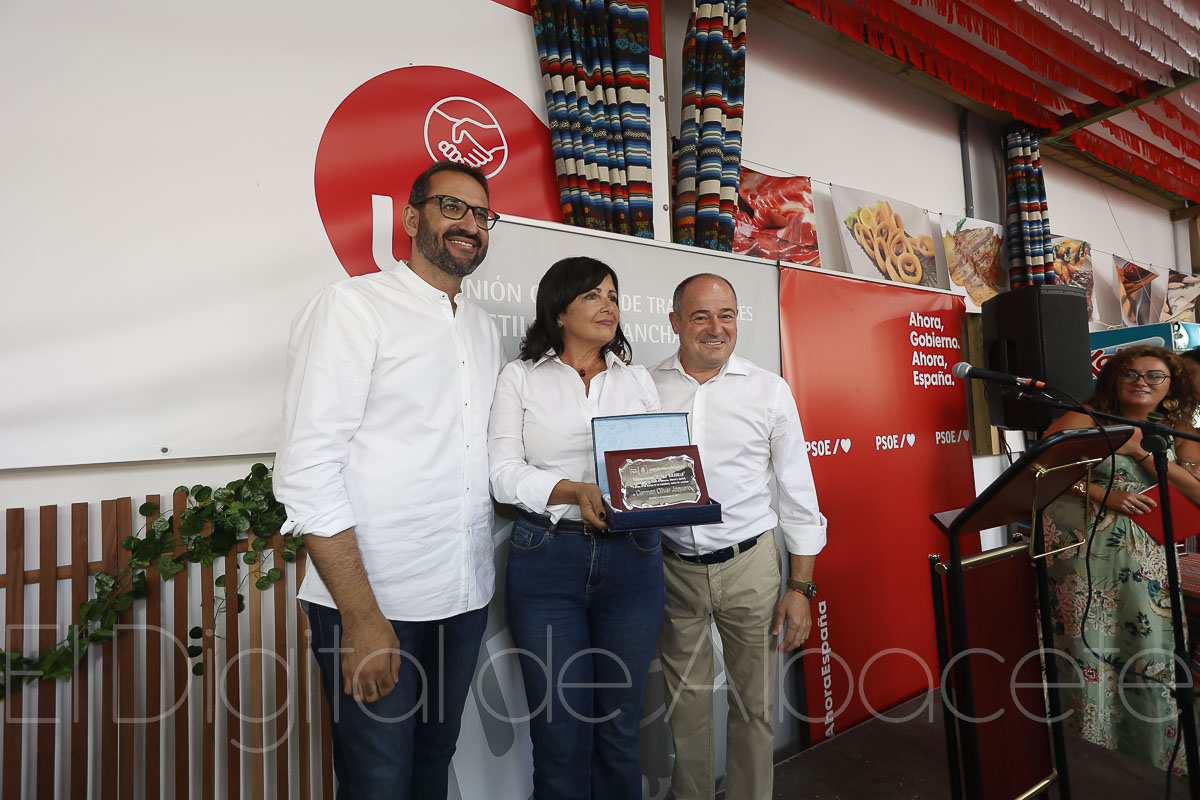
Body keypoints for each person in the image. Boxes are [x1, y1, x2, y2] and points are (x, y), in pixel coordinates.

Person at [273, 160, 506, 798]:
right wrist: (361, 617)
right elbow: (307, 471)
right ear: (410, 219)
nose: (470, 224)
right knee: (378, 782)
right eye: (452, 207)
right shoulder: (352, 308)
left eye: (482, 214)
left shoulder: (484, 329)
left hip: (462, 597)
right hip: (377, 603)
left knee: (432, 767)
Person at [488, 256, 664, 799]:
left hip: (633, 559)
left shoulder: (636, 380)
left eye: (612, 295)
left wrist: (669, 488)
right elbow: (501, 474)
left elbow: (659, 469)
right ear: (559, 311)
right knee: (558, 734)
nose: (608, 305)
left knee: (619, 727)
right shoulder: (521, 377)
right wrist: (573, 491)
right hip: (547, 559)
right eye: (592, 295)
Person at [649, 273, 826, 800]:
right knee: (686, 710)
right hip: (672, 568)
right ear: (675, 321)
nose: (715, 327)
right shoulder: (644, 387)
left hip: (751, 567)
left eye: (726, 315)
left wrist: (800, 589)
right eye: (700, 316)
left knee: (755, 706)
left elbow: (798, 495)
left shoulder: (769, 391)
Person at [1043, 345, 1200, 771]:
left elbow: (1195, 492)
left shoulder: (1172, 430)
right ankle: (1089, 754)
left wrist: (1138, 452)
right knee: (1089, 648)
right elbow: (1040, 470)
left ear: (1171, 386)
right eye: (1130, 373)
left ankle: (1150, 757)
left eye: (1154, 376)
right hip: (1085, 563)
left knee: (1148, 649)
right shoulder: (1085, 418)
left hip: (1149, 564)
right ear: (1113, 379)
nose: (1141, 382)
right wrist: (1100, 493)